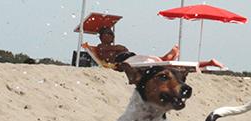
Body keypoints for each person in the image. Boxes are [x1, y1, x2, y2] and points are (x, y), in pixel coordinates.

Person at [95, 26, 225, 70]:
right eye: (109, 33)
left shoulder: (111, 47)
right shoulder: (101, 47)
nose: (112, 35)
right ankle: (207, 63)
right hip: (124, 60)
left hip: (129, 58)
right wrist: (117, 48)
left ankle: (168, 57)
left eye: (112, 33)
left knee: (160, 62)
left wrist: (117, 48)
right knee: (161, 62)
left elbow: (123, 47)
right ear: (102, 36)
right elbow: (111, 51)